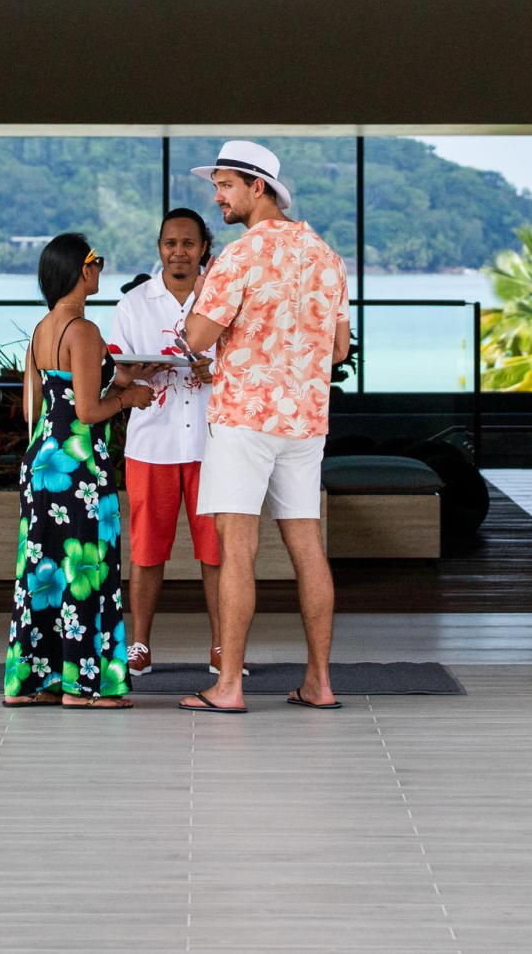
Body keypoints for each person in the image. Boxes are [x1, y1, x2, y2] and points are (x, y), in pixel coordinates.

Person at [176, 141, 351, 714]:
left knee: (238, 551)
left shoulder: (239, 255)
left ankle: (228, 687)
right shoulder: (326, 255)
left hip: (245, 420)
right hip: (305, 421)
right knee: (307, 546)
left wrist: (202, 301)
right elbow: (339, 348)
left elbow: (197, 339)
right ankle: (320, 683)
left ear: (258, 187)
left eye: (225, 185)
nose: (217, 197)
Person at [3, 232, 156, 708]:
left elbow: (41, 401)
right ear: (78, 271)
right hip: (81, 467)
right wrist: (129, 398)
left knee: (43, 571)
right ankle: (86, 687)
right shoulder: (83, 330)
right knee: (88, 570)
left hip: (43, 462)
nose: (100, 269)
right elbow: (88, 411)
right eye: (95, 261)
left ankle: (38, 681)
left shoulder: (43, 329)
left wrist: (127, 376)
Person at [105, 208, 232, 678]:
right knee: (145, 550)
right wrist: (135, 372)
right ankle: (139, 645)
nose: (178, 252)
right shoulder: (134, 304)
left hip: (212, 444)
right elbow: (119, 374)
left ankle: (223, 645)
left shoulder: (224, 301)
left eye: (188, 244)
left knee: (216, 554)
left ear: (204, 250)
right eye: (169, 244)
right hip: (151, 445)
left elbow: (241, 367)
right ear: (159, 248)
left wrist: (214, 370)